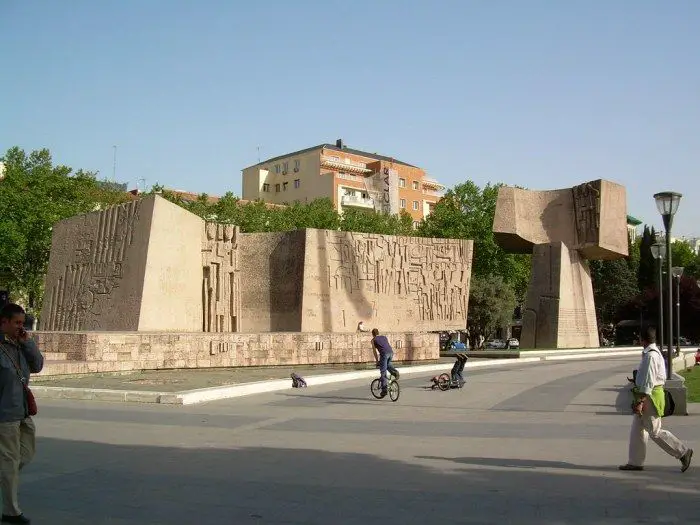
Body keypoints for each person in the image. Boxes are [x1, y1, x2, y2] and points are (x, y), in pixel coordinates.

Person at [619, 326, 693, 473]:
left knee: (654, 431)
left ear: (642, 340)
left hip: (650, 397)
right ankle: (635, 462)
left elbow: (648, 382)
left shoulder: (650, 356)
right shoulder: (653, 353)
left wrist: (640, 402)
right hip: (650, 394)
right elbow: (647, 377)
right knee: (637, 431)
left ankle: (683, 452)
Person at [0, 303, 44, 524]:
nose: (20, 326)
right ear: (4, 322)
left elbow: (37, 366)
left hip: (23, 412)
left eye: (22, 322)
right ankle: (11, 511)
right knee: (8, 462)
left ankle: (6, 477)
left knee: (25, 454)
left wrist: (28, 344)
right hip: (5, 415)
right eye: (16, 322)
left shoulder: (20, 345)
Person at [370, 328, 399, 397]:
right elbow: (386, 345)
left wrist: (377, 361)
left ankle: (384, 390)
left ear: (372, 334)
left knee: (383, 372)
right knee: (387, 364)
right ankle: (395, 372)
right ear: (378, 333)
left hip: (384, 354)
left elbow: (374, 351)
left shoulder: (373, 340)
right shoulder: (384, 337)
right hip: (391, 353)